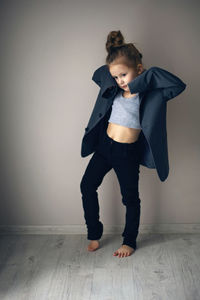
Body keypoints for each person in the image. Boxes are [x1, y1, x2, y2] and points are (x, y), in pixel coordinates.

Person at [80, 30, 184, 258]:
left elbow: (177, 85)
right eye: (116, 77)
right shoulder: (113, 88)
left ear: (138, 69)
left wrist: (142, 78)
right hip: (105, 146)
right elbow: (99, 74)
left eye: (123, 75)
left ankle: (129, 241)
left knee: (130, 198)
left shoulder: (152, 93)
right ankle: (94, 233)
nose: (120, 81)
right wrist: (117, 68)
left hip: (128, 152)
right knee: (87, 186)